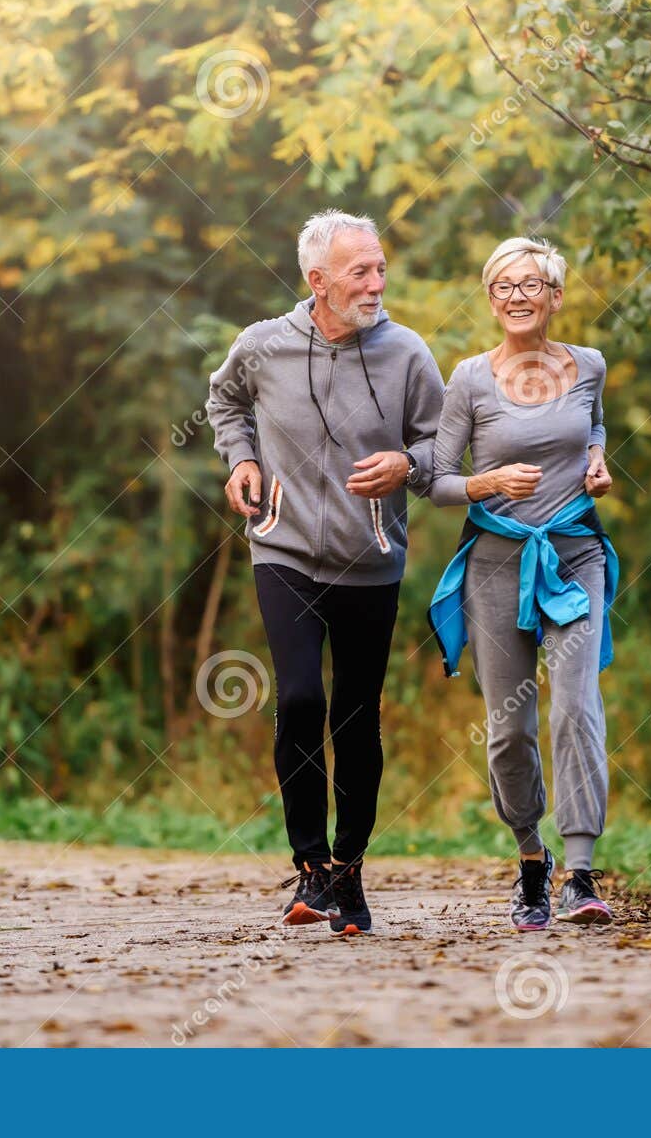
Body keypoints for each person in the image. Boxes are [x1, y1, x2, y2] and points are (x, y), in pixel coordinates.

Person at [206, 210, 444, 934]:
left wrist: (408, 464)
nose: (377, 283)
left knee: (356, 715)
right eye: (360, 271)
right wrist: (242, 458)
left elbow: (442, 451)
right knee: (302, 698)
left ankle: (349, 871)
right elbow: (224, 401)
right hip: (284, 549)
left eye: (379, 268)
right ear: (318, 281)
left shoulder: (407, 354)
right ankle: (311, 865)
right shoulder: (264, 345)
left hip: (370, 561)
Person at [426, 236, 619, 931]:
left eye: (530, 284)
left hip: (574, 556)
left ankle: (582, 871)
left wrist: (597, 460)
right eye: (503, 285)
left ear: (556, 297)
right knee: (508, 728)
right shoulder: (470, 378)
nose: (516, 295)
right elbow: (436, 480)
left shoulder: (589, 365)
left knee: (575, 704)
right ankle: (531, 862)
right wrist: (488, 481)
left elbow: (591, 426)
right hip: (497, 561)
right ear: (490, 298)